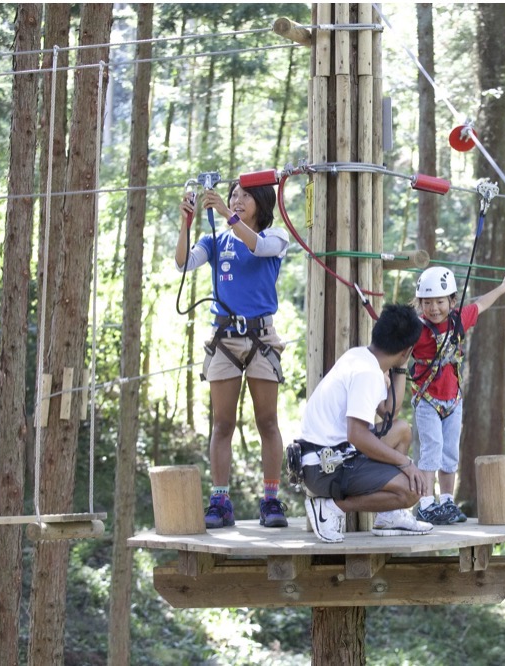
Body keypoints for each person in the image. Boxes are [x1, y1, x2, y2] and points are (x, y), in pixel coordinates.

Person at [175, 180, 291, 529]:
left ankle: (271, 499)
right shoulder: (215, 241)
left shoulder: (275, 239)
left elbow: (256, 246)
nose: (236, 200)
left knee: (267, 422)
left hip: (261, 336)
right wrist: (185, 225)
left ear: (261, 202)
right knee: (222, 423)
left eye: (244, 195)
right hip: (225, 336)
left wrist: (227, 216)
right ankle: (220, 500)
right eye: (233, 195)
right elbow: (183, 264)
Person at [296, 303, 433, 543]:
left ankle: (389, 516)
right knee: (412, 491)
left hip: (330, 455)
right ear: (407, 350)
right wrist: (406, 463)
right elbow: (357, 435)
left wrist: (400, 368)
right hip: (324, 468)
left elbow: (389, 410)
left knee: (402, 431)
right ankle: (332, 508)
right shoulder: (367, 374)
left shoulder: (361, 357)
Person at [409, 267, 505, 525]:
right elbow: (396, 349)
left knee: (449, 453)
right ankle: (425, 502)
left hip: (453, 400)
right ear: (419, 303)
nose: (433, 308)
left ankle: (446, 500)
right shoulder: (416, 329)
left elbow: (481, 304)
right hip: (427, 400)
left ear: (452, 301)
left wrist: (503, 288)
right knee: (431, 449)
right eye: (427, 302)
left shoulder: (459, 320)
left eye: (439, 301)